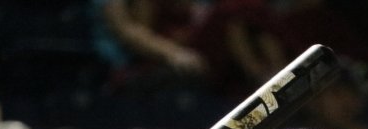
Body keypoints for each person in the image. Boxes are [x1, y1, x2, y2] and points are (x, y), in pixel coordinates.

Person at [90, 0, 285, 97]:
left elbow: (191, 17)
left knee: (245, 10)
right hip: (129, 64)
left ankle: (274, 75)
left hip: (188, 49)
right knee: (235, 11)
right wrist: (174, 53)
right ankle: (265, 78)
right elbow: (128, 30)